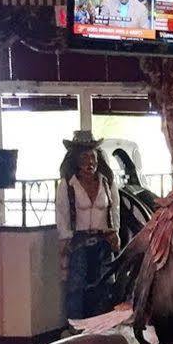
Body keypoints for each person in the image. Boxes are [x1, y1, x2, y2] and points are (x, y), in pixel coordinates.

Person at [55, 133, 120, 321]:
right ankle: (76, 326)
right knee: (76, 286)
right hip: (79, 241)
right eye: (84, 157)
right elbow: (62, 213)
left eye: (93, 157)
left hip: (104, 240)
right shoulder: (68, 185)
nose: (89, 162)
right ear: (76, 160)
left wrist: (114, 233)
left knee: (105, 284)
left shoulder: (107, 183)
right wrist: (65, 238)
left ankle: (101, 325)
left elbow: (114, 210)